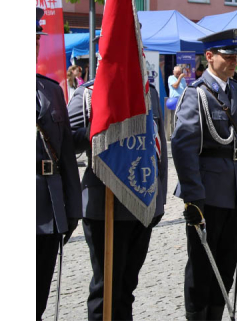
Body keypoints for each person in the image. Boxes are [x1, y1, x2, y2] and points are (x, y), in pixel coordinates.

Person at [67, 73, 168, 320]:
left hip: (142, 203)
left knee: (127, 287)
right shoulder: (89, 93)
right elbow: (68, 142)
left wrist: (159, 200)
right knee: (106, 289)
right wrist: (99, 127)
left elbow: (157, 146)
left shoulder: (149, 91)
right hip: (104, 204)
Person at [171, 28, 237, 320]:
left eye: (235, 57)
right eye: (227, 56)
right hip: (207, 193)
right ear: (209, 57)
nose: (233, 62)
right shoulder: (196, 94)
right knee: (202, 266)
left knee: (227, 263)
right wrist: (192, 197)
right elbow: (183, 148)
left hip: (233, 193)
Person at [36, 7, 82, 319]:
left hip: (48, 211)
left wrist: (72, 210)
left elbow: (65, 156)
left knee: (37, 297)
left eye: (34, 39)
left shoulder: (51, 90)